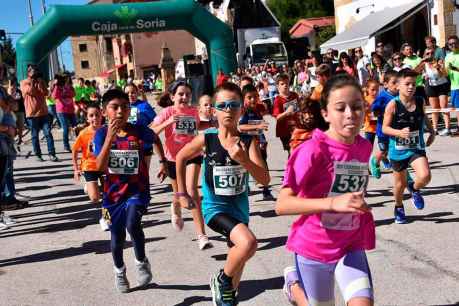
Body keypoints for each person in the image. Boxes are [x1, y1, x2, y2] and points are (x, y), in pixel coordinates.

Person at [276, 74, 375, 306]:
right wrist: (332, 203)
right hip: (314, 248)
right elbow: (282, 204)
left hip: (350, 244)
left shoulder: (364, 146)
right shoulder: (312, 150)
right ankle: (294, 285)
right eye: (341, 108)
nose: (350, 114)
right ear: (326, 114)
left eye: (357, 107)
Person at [175, 82, 270, 306]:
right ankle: (221, 279)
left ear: (241, 110)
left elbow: (264, 179)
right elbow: (180, 157)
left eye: (233, 105)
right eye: (222, 105)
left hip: (239, 210)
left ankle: (227, 296)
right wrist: (181, 193)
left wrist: (244, 160)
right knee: (248, 243)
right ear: (214, 111)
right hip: (215, 209)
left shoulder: (247, 142)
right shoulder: (207, 139)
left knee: (238, 263)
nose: (228, 109)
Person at [93, 89, 167, 293]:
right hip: (113, 194)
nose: (120, 111)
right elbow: (99, 166)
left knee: (133, 224)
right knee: (117, 237)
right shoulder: (100, 134)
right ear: (104, 111)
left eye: (124, 107)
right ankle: (119, 271)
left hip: (138, 189)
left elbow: (156, 138)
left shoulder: (139, 130)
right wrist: (109, 137)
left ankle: (141, 261)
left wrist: (163, 162)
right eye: (114, 107)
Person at [152, 81, 212, 250]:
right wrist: (169, 122)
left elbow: (200, 125)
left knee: (191, 190)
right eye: (180, 94)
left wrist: (213, 122)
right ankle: (175, 205)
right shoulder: (167, 112)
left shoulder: (194, 111)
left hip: (192, 154)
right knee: (179, 193)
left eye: (187, 94)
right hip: (173, 158)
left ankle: (202, 235)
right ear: (172, 97)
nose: (184, 97)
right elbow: (151, 132)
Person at [382, 69, 435, 224]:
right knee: (399, 185)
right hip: (397, 151)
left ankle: (415, 189)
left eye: (413, 84)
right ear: (398, 85)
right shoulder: (393, 105)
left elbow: (424, 116)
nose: (411, 87)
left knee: (425, 176)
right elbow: (385, 128)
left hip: (415, 147)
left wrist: (431, 131)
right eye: (407, 84)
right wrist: (398, 132)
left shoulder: (420, 101)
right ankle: (398, 207)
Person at [72, 103, 109, 230]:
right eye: (91, 116)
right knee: (94, 198)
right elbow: (75, 150)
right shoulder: (83, 133)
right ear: (87, 118)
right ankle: (89, 186)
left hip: (104, 165)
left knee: (108, 195)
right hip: (89, 166)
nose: (94, 118)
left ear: (102, 116)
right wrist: (76, 168)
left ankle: (105, 218)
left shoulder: (107, 131)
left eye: (97, 115)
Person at [238, 84, 274, 201]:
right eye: (249, 97)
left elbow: (258, 129)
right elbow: (240, 127)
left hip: (257, 141)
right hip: (245, 143)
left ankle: (266, 190)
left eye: (255, 96)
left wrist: (262, 139)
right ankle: (245, 187)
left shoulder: (257, 110)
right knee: (245, 166)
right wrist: (258, 125)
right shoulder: (243, 111)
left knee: (263, 163)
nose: (253, 99)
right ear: (243, 99)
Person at [20, 64, 58, 162]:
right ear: (28, 73)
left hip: (44, 112)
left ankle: (52, 154)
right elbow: (31, 92)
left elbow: (46, 93)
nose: (35, 73)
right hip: (32, 114)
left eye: (36, 71)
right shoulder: (24, 82)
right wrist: (33, 82)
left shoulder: (40, 81)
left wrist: (41, 83)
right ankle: (38, 155)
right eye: (33, 71)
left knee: (48, 133)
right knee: (34, 135)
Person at [370, 70, 399, 178]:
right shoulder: (382, 96)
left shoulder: (401, 95)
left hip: (396, 129)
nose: (397, 85)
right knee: (384, 150)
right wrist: (384, 112)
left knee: (393, 149)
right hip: (383, 130)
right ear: (386, 84)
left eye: (398, 82)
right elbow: (374, 111)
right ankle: (375, 162)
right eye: (394, 83)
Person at [124, 84, 157, 169]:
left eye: (133, 92)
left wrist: (148, 130)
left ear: (137, 93)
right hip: (128, 144)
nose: (130, 95)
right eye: (127, 93)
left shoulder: (145, 105)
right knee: (131, 173)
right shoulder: (122, 107)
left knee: (145, 171)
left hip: (145, 144)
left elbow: (156, 120)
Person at [421, 48, 451, 136]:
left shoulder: (439, 62)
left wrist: (438, 67)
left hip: (442, 85)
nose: (430, 55)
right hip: (431, 86)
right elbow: (417, 72)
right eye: (427, 53)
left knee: (444, 106)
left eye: (431, 53)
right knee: (434, 108)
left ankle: (447, 128)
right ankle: (434, 128)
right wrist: (424, 75)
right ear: (424, 55)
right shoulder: (423, 64)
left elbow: (445, 74)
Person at [272, 74, 299, 156]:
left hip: (296, 128)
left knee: (298, 150)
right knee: (291, 153)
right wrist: (286, 113)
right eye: (282, 84)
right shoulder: (278, 100)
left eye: (287, 83)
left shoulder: (294, 95)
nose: (285, 86)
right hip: (285, 132)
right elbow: (276, 118)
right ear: (277, 86)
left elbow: (299, 109)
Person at [52, 74, 76, 152]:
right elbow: (54, 96)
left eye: (68, 78)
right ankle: (66, 146)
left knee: (76, 127)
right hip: (61, 110)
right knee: (65, 128)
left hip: (70, 110)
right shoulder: (58, 87)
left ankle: (80, 143)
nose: (67, 79)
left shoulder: (70, 87)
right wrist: (56, 85)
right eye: (65, 78)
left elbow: (73, 94)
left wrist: (67, 88)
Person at [444, 35, 459, 133]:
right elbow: (446, 73)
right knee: (458, 109)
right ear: (448, 46)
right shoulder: (448, 56)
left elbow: (453, 69)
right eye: (450, 44)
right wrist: (439, 68)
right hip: (454, 86)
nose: (453, 45)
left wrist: (455, 69)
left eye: (455, 43)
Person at [7, 79, 26, 146]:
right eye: (13, 84)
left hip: (20, 111)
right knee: (13, 127)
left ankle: (20, 139)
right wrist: (10, 91)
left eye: (15, 84)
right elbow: (9, 99)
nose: (15, 85)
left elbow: (21, 100)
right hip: (12, 112)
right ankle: (13, 140)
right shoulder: (8, 91)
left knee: (20, 127)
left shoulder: (19, 91)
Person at [362, 79, 379, 146]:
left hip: (379, 127)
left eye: (377, 90)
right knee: (368, 147)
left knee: (383, 147)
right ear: (367, 89)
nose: (375, 92)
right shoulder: (365, 100)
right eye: (372, 90)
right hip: (369, 128)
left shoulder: (380, 99)